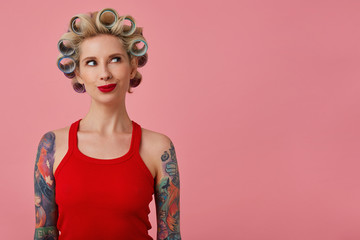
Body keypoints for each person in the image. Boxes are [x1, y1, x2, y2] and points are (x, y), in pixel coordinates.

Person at [33, 8, 181, 240]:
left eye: (115, 59)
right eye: (91, 62)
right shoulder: (51, 145)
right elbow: (44, 233)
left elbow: (170, 234)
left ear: (132, 66)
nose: (104, 73)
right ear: (78, 73)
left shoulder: (159, 148)